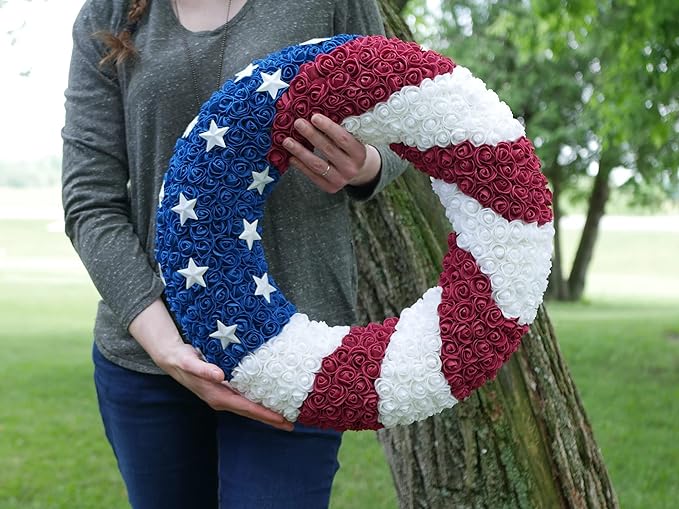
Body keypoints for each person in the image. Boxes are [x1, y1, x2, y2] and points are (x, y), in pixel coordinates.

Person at [61, 0, 408, 507]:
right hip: (148, 364)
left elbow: (402, 118)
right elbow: (89, 201)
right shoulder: (109, 13)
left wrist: (368, 164)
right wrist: (165, 347)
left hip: (295, 351)